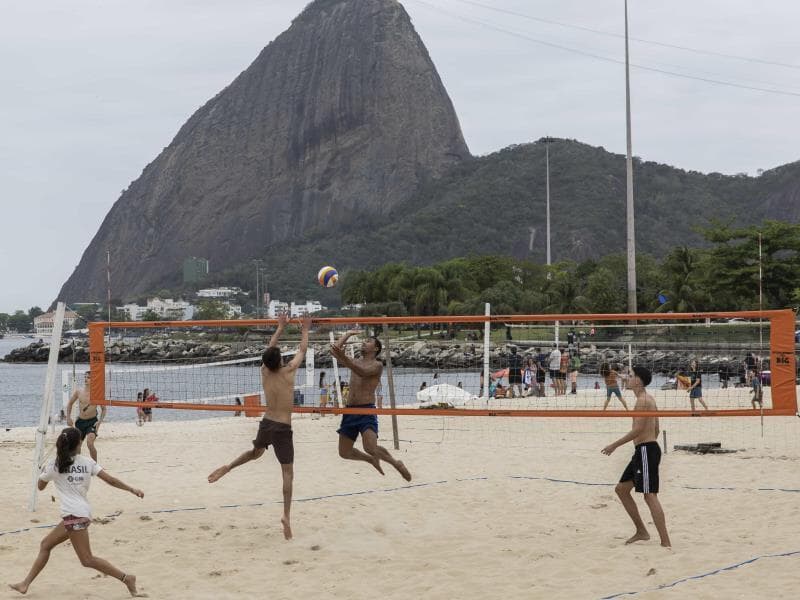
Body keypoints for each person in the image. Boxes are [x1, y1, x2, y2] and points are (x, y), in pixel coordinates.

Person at [207, 312, 311, 540]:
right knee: (287, 473)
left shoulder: (264, 372)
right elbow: (302, 350)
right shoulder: (288, 372)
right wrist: (304, 329)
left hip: (267, 423)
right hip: (283, 427)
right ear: (281, 361)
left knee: (256, 452)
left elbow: (269, 350)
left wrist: (280, 327)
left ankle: (229, 466)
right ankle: (286, 514)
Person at [10, 427, 145, 596]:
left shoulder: (54, 465)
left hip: (74, 516)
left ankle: (127, 578)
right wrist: (132, 489)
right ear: (79, 444)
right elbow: (110, 480)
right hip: (80, 514)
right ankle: (25, 584)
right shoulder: (87, 462)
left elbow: (40, 487)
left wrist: (43, 473)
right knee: (46, 545)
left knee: (87, 560)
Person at [602, 366, 671, 548]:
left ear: (638, 381)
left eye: (631, 376)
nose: (627, 378)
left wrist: (614, 445)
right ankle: (641, 531)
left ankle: (665, 542)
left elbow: (639, 429)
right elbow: (656, 428)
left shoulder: (643, 400)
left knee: (649, 495)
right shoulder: (647, 399)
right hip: (644, 450)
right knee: (621, 489)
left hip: (646, 451)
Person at [331, 330, 411, 481]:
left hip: (366, 410)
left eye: (368, 341)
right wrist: (347, 334)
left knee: (370, 447)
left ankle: (396, 463)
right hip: (350, 411)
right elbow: (334, 350)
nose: (363, 342)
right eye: (364, 340)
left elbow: (362, 372)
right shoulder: (354, 361)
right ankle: (370, 460)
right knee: (344, 452)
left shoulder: (377, 365)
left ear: (375, 349)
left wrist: (343, 358)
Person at [65, 371, 106, 461]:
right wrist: (68, 417)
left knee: (90, 443)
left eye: (88, 377)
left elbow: (104, 409)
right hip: (80, 422)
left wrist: (99, 422)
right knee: (77, 445)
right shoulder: (79, 391)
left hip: (92, 422)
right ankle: (79, 464)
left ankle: (95, 465)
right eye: (85, 377)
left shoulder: (97, 393)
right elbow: (70, 404)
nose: (86, 379)